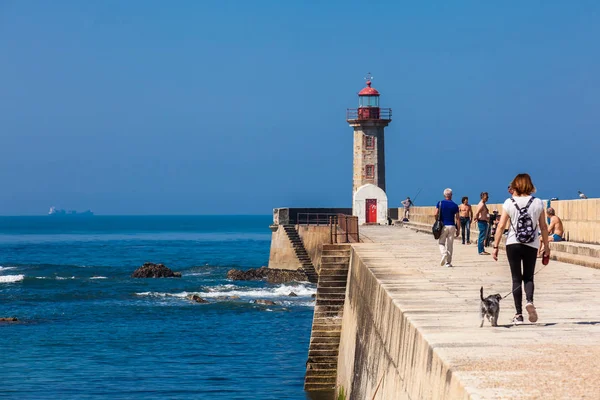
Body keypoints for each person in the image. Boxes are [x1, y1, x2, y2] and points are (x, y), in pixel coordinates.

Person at [492, 173, 549, 325]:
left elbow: (501, 225)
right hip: (531, 244)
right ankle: (529, 301)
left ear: (515, 185)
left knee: (516, 278)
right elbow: (543, 226)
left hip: (513, 243)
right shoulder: (537, 203)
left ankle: (518, 314)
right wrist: (546, 247)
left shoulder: (509, 203)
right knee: (529, 276)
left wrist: (496, 245)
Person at [434, 188, 460, 267]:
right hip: (452, 226)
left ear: (444, 195)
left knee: (441, 242)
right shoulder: (455, 205)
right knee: (450, 245)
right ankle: (448, 262)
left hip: (443, 226)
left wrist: (437, 220)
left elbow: (435, 214)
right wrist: (458, 229)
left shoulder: (440, 203)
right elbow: (457, 218)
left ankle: (444, 253)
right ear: (451, 195)